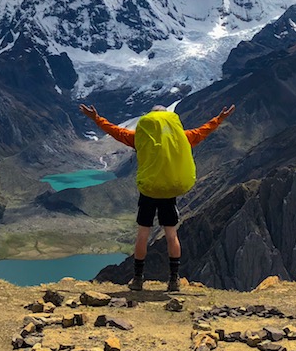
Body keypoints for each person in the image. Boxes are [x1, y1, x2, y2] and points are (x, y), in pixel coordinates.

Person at [79, 103, 235, 292]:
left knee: (143, 234)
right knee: (171, 234)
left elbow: (116, 132)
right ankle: (174, 280)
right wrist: (219, 119)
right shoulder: (182, 138)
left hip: (149, 191)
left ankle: (137, 280)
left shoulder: (140, 138)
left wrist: (96, 118)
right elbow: (203, 131)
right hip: (169, 191)